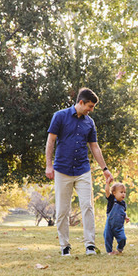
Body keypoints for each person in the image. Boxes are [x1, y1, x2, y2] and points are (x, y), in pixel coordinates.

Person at [45, 87, 113, 256]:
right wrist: (49, 165)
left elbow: (94, 147)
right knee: (62, 210)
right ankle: (64, 246)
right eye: (90, 106)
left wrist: (104, 169)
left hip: (83, 169)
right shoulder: (59, 116)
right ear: (81, 102)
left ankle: (90, 245)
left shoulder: (89, 122)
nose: (91, 110)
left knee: (88, 206)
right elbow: (51, 141)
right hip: (62, 169)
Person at [103, 179, 130, 255]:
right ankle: (109, 251)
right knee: (107, 237)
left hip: (119, 226)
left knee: (123, 238)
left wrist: (126, 217)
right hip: (110, 225)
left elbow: (123, 212)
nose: (123, 194)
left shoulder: (123, 204)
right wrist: (107, 183)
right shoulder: (112, 200)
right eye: (121, 192)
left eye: (124, 192)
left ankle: (119, 249)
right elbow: (107, 191)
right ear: (114, 193)